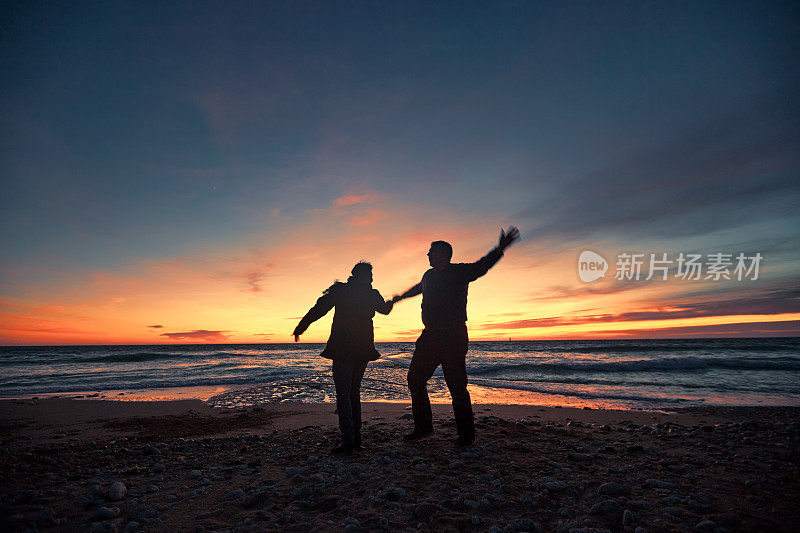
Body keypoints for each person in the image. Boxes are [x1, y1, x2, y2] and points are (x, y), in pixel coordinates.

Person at [391, 226, 520, 447]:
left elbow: (482, 266)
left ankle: (466, 435)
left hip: (453, 336)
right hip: (429, 336)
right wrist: (399, 297)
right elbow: (419, 287)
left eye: (431, 252)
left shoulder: (459, 272)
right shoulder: (429, 275)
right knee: (415, 379)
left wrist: (500, 249)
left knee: (457, 386)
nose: (428, 255)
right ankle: (423, 428)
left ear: (443, 254)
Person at [293, 262, 393, 455]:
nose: (372, 278)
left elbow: (319, 309)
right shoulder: (371, 293)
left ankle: (349, 438)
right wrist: (392, 302)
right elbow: (385, 310)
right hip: (361, 348)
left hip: (343, 347)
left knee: (344, 393)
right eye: (370, 275)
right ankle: (354, 437)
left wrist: (301, 326)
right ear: (362, 276)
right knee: (352, 392)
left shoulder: (342, 291)